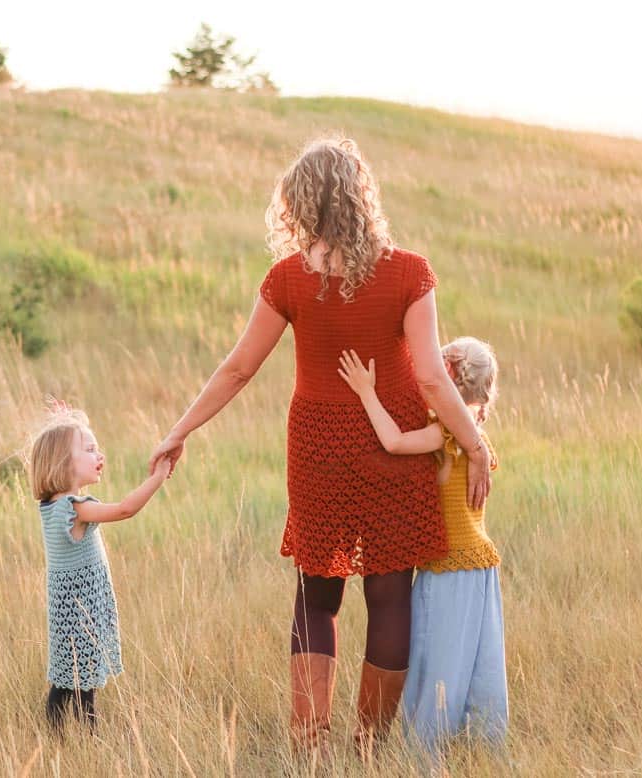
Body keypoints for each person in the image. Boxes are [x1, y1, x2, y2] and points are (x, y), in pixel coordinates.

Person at [148, 138, 492, 756]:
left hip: (317, 452)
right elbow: (436, 381)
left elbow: (236, 369)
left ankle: (308, 749)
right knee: (388, 596)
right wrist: (478, 446)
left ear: (299, 204)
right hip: (392, 451)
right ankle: (367, 749)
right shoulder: (409, 272)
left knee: (316, 594)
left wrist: (180, 429)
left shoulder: (288, 279)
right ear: (362, 196)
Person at [338, 339, 507, 752]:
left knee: (438, 664)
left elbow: (393, 442)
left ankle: (424, 758)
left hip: (447, 570)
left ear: (446, 372)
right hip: (482, 569)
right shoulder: (477, 440)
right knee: (477, 665)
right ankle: (480, 752)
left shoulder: (447, 433)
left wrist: (366, 392)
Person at [29, 405, 171, 730]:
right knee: (82, 688)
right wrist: (158, 478)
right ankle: (85, 741)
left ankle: (60, 736)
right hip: (82, 614)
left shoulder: (51, 507)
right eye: (90, 449)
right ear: (64, 463)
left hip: (67, 612)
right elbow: (124, 509)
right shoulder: (76, 508)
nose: (99, 454)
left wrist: (73, 423)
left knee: (66, 682)